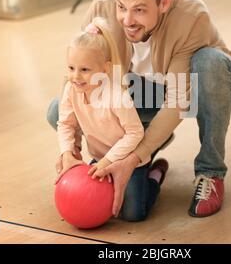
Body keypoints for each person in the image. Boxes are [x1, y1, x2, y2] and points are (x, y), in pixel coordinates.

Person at [47, 0, 231, 219]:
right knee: (56, 110)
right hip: (140, 93)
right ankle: (149, 140)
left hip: (201, 90)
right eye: (122, 7)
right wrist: (69, 150)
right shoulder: (102, 8)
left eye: (139, 10)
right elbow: (75, 81)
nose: (127, 20)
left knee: (209, 62)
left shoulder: (189, 14)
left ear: (163, 3)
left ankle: (210, 172)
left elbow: (178, 102)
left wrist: (132, 158)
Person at [55, 17, 168, 221]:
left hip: (127, 158)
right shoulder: (71, 90)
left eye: (85, 70)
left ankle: (154, 176)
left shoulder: (118, 96)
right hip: (101, 158)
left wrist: (109, 160)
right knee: (96, 203)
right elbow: (65, 123)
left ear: (105, 68)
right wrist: (66, 152)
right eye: (71, 68)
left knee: (133, 214)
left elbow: (135, 133)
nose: (76, 76)